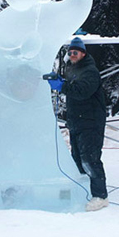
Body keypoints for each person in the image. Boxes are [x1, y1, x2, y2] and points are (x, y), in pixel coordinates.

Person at [47, 37, 109, 211]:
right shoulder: (73, 69)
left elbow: (82, 91)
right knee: (78, 159)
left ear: (83, 53)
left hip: (90, 122)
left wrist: (62, 86)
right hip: (76, 121)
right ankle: (83, 189)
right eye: (70, 52)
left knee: (90, 159)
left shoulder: (90, 71)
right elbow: (72, 86)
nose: (72, 55)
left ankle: (100, 196)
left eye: (75, 52)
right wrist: (62, 81)